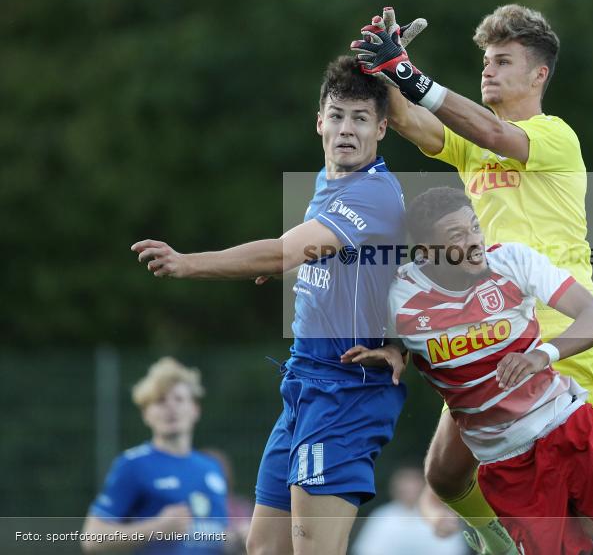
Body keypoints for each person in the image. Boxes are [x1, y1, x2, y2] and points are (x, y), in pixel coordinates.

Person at [351, 5, 593, 555]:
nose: (488, 70)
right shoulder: (474, 141)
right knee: (445, 473)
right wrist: (380, 68)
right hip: (494, 336)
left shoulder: (554, 135)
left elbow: (493, 131)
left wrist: (409, 74)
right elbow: (406, 119)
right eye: (485, 61)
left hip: (565, 336)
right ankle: (501, 543)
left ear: (539, 75)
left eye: (502, 61)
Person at [131, 56, 407, 555]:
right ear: (319, 121)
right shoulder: (329, 183)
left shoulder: (373, 193)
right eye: (338, 115)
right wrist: (296, 263)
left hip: (346, 392)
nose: (347, 129)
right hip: (304, 383)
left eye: (361, 118)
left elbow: (284, 250)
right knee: (264, 547)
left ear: (382, 129)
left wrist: (188, 263)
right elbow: (326, 259)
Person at [344, 187, 593, 555]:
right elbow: (391, 342)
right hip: (507, 464)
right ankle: (493, 538)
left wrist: (542, 355)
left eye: (474, 228)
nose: (474, 242)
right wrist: (391, 350)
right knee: (443, 478)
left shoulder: (512, 261)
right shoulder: (398, 298)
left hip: (569, 425)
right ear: (426, 252)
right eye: (456, 236)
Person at [82, 357, 229, 554]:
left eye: (179, 399)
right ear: (146, 414)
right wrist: (157, 528)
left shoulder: (211, 467)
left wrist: (238, 538)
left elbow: (215, 537)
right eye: (161, 400)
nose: (171, 407)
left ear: (195, 409)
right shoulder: (133, 465)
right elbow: (92, 538)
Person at [351, 467, 467, 555]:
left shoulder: (440, 515)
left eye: (413, 486)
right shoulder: (381, 516)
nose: (410, 491)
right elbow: (367, 550)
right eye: (405, 487)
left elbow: (454, 550)